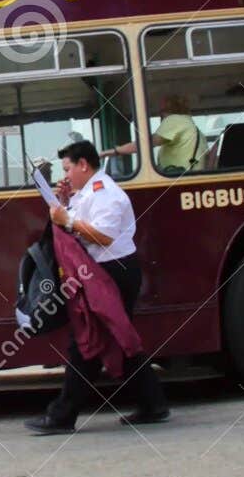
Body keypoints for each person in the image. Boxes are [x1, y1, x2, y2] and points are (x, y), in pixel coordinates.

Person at [26, 140, 170, 434]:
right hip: (102, 271)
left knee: (87, 340)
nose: (64, 177)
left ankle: (62, 416)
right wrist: (64, 203)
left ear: (83, 165)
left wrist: (66, 218)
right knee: (117, 336)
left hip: (112, 273)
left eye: (67, 170)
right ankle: (153, 404)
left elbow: (103, 236)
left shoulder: (106, 194)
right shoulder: (86, 191)